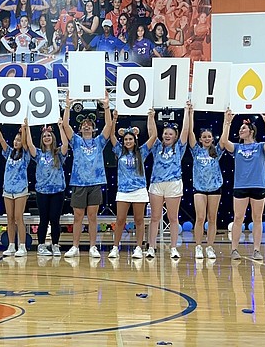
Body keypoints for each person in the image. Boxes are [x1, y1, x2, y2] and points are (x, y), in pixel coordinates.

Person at [62, 90, 111, 258]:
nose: (87, 126)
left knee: (92, 216)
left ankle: (92, 247)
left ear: (93, 128)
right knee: (78, 216)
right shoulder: (76, 141)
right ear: (80, 128)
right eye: (84, 124)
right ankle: (75, 247)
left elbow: (109, 126)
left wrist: (106, 107)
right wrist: (67, 105)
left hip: (95, 183)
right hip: (79, 183)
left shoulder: (99, 141)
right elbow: (65, 126)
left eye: (89, 124)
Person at [220, 109, 265, 260]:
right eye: (240, 128)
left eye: (243, 128)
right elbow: (224, 142)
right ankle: (234, 249)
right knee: (238, 218)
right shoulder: (237, 147)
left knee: (257, 218)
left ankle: (256, 250)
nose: (240, 130)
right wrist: (227, 122)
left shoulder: (260, 147)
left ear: (251, 131)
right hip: (240, 186)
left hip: (258, 186)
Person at [107, 109, 156, 259]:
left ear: (135, 140)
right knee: (120, 220)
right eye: (126, 139)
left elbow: (154, 136)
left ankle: (139, 248)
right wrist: (114, 119)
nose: (128, 141)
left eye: (130, 139)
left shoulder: (142, 152)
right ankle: (115, 247)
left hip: (139, 190)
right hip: (123, 190)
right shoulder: (119, 151)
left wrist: (151, 117)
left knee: (139, 220)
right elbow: (111, 135)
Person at [146, 103, 190, 259]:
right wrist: (151, 116)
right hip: (157, 184)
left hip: (173, 183)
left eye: (170, 134)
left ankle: (173, 248)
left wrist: (186, 111)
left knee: (173, 218)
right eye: (165, 133)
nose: (167, 136)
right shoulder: (156, 146)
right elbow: (151, 131)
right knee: (155, 218)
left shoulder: (179, 147)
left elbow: (186, 130)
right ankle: (151, 247)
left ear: (175, 136)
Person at [26, 119, 68, 256]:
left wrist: (60, 127)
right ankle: (41, 245)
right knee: (43, 219)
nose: (47, 137)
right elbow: (29, 144)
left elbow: (65, 144)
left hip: (57, 191)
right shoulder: (38, 154)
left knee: (55, 220)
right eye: (44, 136)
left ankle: (55, 245)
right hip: (42, 191)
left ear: (53, 138)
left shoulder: (58, 153)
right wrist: (26, 127)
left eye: (49, 135)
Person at [189, 107, 225, 260]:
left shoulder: (216, 151)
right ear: (200, 139)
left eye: (209, 136)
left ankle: (210, 247)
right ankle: (198, 246)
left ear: (212, 138)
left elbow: (224, 138)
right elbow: (190, 133)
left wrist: (227, 120)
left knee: (212, 218)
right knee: (200, 218)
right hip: (199, 189)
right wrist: (190, 114)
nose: (207, 138)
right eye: (204, 137)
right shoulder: (196, 150)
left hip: (215, 188)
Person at [0, 120, 30, 257]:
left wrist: (24, 129)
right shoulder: (8, 152)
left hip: (21, 189)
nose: (16, 142)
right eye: (15, 139)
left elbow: (26, 143)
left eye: (18, 140)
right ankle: (11, 245)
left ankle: (22, 246)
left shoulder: (26, 154)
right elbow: (1, 140)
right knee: (10, 218)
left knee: (18, 217)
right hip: (8, 189)